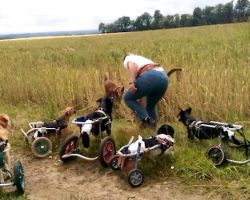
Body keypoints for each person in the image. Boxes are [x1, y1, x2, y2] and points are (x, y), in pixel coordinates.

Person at [123, 53, 169, 129]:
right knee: (150, 106)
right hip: (164, 79)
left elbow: (132, 65)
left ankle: (146, 119)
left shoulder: (128, 58)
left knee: (128, 98)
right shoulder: (141, 59)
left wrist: (132, 82)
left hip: (152, 76)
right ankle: (153, 132)